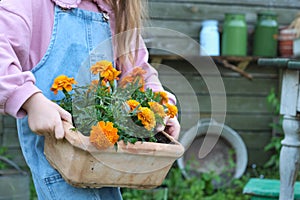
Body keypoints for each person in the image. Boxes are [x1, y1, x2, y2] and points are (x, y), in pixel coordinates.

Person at [0, 0, 180, 199]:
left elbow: (139, 73)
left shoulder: (116, 8)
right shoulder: (30, 5)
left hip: (106, 163)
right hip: (60, 161)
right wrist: (30, 100)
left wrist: (160, 108)